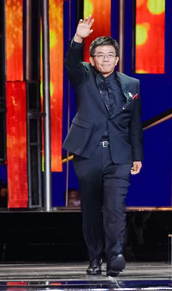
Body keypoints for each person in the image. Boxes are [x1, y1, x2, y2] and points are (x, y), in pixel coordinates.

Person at [63, 16, 143, 277]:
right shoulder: (83, 76)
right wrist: (78, 37)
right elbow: (71, 63)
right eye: (100, 55)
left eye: (110, 55)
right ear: (92, 59)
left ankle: (115, 255)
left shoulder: (131, 84)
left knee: (115, 207)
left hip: (119, 155)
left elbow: (135, 123)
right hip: (88, 152)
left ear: (117, 59)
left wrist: (137, 155)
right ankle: (95, 257)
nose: (106, 59)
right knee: (91, 209)